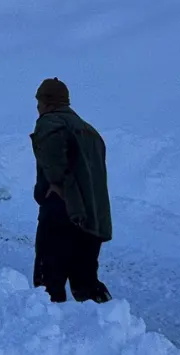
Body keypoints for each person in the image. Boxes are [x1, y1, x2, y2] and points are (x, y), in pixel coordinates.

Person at [30, 77, 113, 303]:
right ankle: (109, 321)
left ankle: (50, 324)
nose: (37, 108)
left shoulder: (50, 122)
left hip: (62, 212)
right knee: (85, 282)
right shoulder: (91, 132)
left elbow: (53, 159)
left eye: (39, 102)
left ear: (48, 103)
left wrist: (56, 184)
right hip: (92, 219)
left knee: (48, 283)